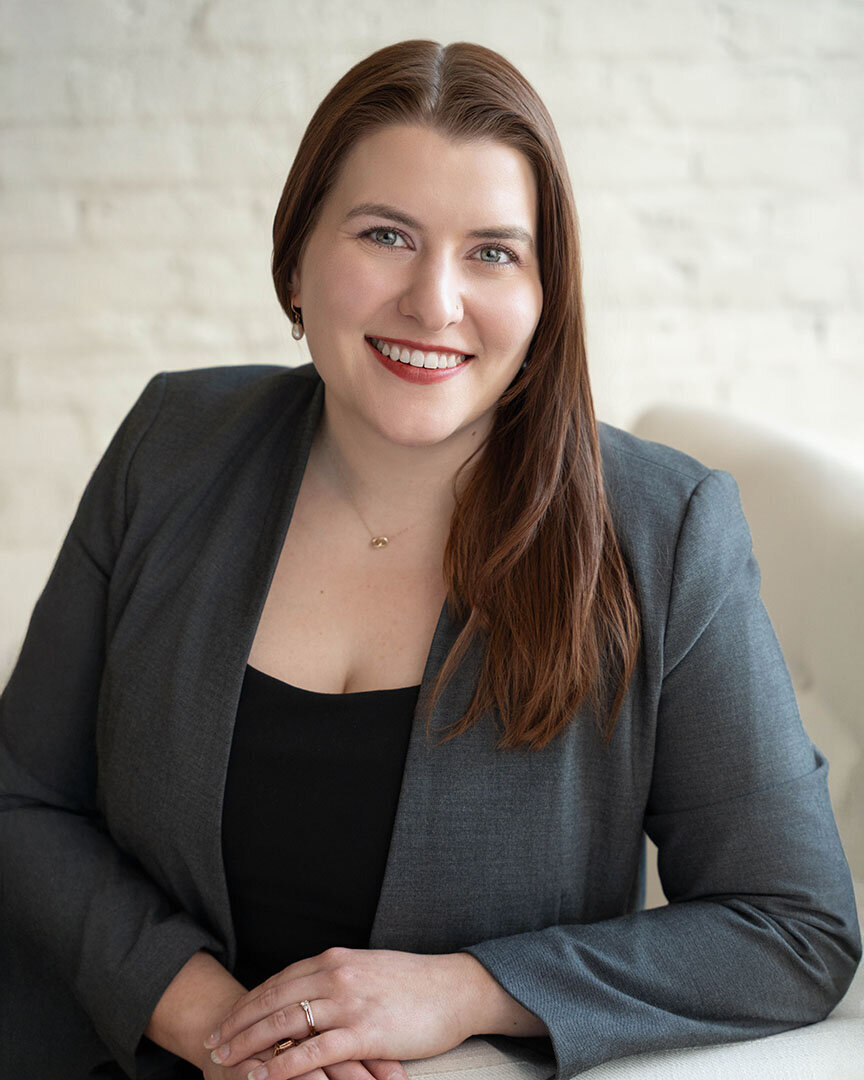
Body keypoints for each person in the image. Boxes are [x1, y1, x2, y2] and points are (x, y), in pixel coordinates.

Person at [0, 38, 860, 1080]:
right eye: (386, 235)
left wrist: (462, 991)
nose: (435, 302)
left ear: (546, 296)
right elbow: (24, 799)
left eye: (493, 252)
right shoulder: (171, 441)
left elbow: (793, 927)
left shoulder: (664, 531)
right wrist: (214, 1023)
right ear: (299, 256)